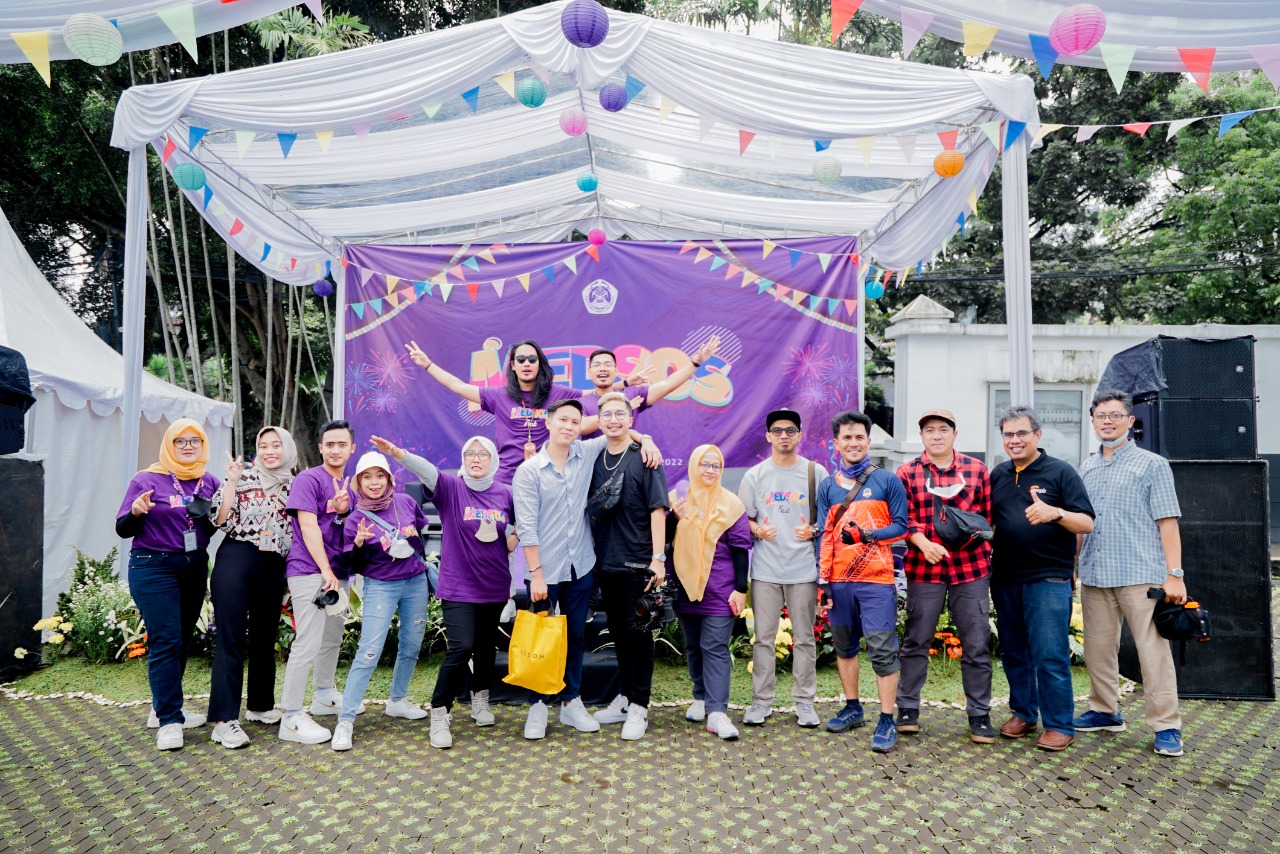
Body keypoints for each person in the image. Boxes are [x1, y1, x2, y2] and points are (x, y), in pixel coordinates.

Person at [511, 398, 660, 740]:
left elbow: (617, 430)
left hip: (581, 567)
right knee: (541, 640)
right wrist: (536, 574)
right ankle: (537, 705)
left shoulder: (586, 453)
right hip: (544, 571)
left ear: (581, 428)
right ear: (549, 423)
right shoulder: (529, 471)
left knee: (576, 637)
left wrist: (647, 440)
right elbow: (527, 527)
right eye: (562, 420)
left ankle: (571, 702)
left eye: (575, 422)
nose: (568, 426)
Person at [370, 434, 518, 750]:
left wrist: (515, 537)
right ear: (463, 459)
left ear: (493, 460)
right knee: (461, 647)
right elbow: (427, 471)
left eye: (483, 454)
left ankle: (480, 699)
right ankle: (440, 712)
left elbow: (524, 521)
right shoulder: (452, 488)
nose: (476, 459)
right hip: (458, 586)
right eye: (470, 454)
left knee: (486, 647)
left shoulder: (505, 493)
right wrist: (399, 454)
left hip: (494, 585)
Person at [1075, 389, 1187, 758]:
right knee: (1098, 649)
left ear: (1130, 420)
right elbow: (1082, 524)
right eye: (1101, 416)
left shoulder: (1152, 464)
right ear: (1093, 421)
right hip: (1095, 574)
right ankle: (1105, 711)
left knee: (1152, 652)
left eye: (1115, 415)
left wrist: (1175, 574)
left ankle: (1166, 725)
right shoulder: (1087, 467)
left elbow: (1168, 522)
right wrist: (1074, 566)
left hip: (1141, 574)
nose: (1107, 421)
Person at [989, 406, 1095, 752]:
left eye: (1022, 433)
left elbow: (1087, 523)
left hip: (1048, 578)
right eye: (1008, 434)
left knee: (1050, 654)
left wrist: (1056, 512)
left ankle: (1059, 724)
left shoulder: (1061, 472)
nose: (1015, 440)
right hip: (1005, 577)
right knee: (1014, 652)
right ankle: (1023, 713)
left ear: (1037, 434)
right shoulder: (999, 474)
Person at [115, 418, 221, 750]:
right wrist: (135, 512)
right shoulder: (146, 479)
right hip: (153, 566)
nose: (188, 446)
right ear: (169, 444)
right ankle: (170, 721)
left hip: (193, 566)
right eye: (180, 441)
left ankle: (161, 708)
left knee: (181, 639)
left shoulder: (209, 481)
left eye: (195, 440)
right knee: (166, 639)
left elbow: (214, 525)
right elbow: (122, 529)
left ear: (203, 445)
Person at [894, 409, 996, 744]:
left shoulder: (976, 470)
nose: (936, 435)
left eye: (943, 429)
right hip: (924, 569)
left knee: (977, 642)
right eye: (929, 430)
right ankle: (907, 709)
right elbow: (902, 517)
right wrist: (924, 544)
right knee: (916, 640)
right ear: (921, 436)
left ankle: (979, 715)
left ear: (955, 434)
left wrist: (970, 538)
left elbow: (988, 519)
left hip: (971, 568)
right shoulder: (907, 472)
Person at [816, 410, 908, 753]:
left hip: (876, 581)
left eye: (859, 437)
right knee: (844, 646)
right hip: (839, 582)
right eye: (847, 437)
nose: (853, 443)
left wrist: (867, 535)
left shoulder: (887, 481)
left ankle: (886, 719)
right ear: (836, 443)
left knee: (883, 650)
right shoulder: (827, 486)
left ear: (869, 441)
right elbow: (825, 535)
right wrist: (822, 580)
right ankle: (853, 708)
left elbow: (901, 527)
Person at [330, 452, 432, 752]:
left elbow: (419, 536)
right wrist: (359, 544)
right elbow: (352, 566)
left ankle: (397, 701)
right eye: (367, 477)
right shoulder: (355, 518)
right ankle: (346, 720)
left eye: (379, 476)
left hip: (415, 582)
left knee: (411, 644)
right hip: (380, 586)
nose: (374, 482)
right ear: (359, 482)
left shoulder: (406, 503)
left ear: (389, 478)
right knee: (369, 651)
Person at [206, 426, 298, 749]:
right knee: (231, 637)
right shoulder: (243, 477)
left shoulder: (295, 486)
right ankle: (224, 720)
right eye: (263, 445)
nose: (269, 451)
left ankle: (260, 705)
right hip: (237, 557)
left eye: (276, 445)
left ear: (287, 449)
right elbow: (219, 519)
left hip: (273, 563)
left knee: (264, 637)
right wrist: (231, 481)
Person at [585, 393, 670, 741]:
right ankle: (624, 698)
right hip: (605, 561)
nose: (614, 420)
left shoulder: (646, 458)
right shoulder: (593, 457)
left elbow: (658, 510)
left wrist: (658, 558)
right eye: (607, 414)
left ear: (631, 419)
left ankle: (639, 706)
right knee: (619, 633)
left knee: (638, 635)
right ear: (599, 420)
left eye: (621, 414)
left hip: (638, 563)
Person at [737, 407, 826, 729]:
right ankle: (761, 702)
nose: (784, 436)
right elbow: (743, 519)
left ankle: (804, 702)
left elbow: (829, 518)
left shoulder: (816, 472)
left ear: (800, 435)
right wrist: (758, 530)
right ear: (768, 436)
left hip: (803, 570)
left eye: (790, 430)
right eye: (777, 430)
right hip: (765, 570)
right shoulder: (755, 475)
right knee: (763, 638)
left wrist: (813, 529)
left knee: (805, 638)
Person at [405, 339, 591, 484]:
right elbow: (458, 386)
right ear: (513, 365)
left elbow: (595, 395)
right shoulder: (498, 395)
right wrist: (427, 364)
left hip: (546, 477)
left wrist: (612, 380)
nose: (526, 363)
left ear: (539, 364)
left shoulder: (558, 393)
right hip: (508, 479)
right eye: (521, 360)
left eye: (532, 360)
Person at [278, 419, 359, 745]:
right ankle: (291, 717)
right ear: (321, 448)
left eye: (342, 444)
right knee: (308, 642)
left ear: (352, 448)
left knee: (331, 638)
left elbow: (347, 528)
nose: (336, 450)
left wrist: (342, 512)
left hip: (338, 572)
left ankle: (324, 695)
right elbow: (309, 526)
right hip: (310, 571)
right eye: (331, 444)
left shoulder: (351, 487)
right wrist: (326, 571)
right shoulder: (308, 479)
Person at [669, 445, 752, 741]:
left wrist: (740, 589)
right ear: (694, 466)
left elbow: (741, 549)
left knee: (714, 646)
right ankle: (700, 697)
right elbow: (662, 539)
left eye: (716, 466)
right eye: (704, 464)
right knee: (693, 645)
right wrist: (672, 517)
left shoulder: (732, 504)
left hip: (720, 589)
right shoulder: (678, 500)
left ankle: (717, 712)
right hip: (685, 587)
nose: (710, 470)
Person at [577, 337, 721, 425]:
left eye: (608, 364)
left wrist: (696, 362)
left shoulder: (632, 394)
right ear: (589, 372)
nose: (602, 368)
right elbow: (581, 427)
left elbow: (668, 384)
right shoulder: (581, 403)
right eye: (597, 365)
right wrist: (622, 410)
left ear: (616, 370)